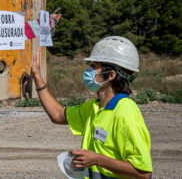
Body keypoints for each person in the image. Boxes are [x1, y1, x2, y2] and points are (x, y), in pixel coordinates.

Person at [31, 36, 153, 179]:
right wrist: (37, 76)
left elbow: (144, 173)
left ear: (111, 75)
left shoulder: (126, 113)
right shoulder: (95, 107)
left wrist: (97, 159)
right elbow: (58, 114)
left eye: (94, 66)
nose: (88, 70)